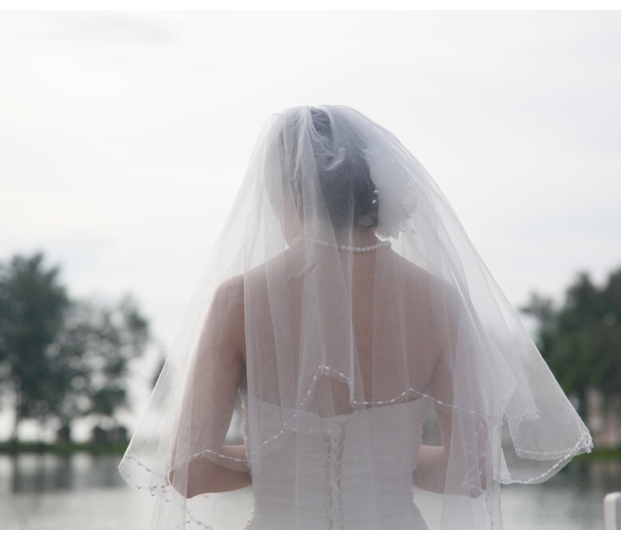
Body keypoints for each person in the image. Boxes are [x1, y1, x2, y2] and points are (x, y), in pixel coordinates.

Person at [119, 105, 593, 529]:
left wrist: (279, 460)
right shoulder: (440, 300)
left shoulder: (237, 300)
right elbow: (472, 471)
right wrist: (387, 463)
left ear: (286, 192)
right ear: (372, 187)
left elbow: (188, 469)